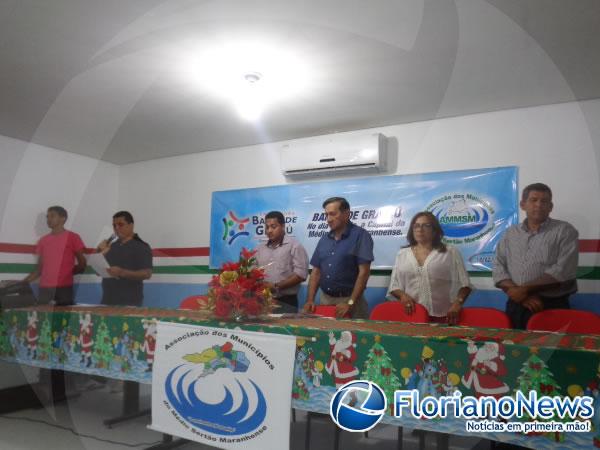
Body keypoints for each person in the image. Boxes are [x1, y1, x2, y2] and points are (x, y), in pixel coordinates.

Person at [493, 183, 579, 329]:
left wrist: (523, 291)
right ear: (523, 204)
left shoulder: (564, 231)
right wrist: (520, 295)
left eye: (544, 201)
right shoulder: (510, 233)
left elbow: (563, 270)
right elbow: (498, 266)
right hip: (517, 304)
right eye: (534, 200)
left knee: (551, 350)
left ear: (550, 207)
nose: (539, 205)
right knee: (514, 349)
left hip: (551, 305)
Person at [387, 211, 472, 324]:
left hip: (444, 315)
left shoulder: (450, 252)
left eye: (425, 225)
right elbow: (394, 285)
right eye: (416, 226)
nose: (419, 229)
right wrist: (403, 296)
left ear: (434, 230)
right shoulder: (402, 254)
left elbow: (465, 283)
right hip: (412, 315)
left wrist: (458, 303)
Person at [303, 197, 373, 319]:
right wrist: (310, 300)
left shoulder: (361, 236)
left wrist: (350, 303)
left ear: (346, 214)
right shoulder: (324, 239)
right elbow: (316, 272)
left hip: (351, 302)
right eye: (326, 215)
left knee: (354, 337)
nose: (328, 219)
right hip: (325, 300)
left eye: (332, 214)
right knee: (326, 336)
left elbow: (364, 273)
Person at [24, 206, 87, 305]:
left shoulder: (73, 237)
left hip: (64, 289)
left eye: (52, 216)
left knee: (62, 318)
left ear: (63, 218)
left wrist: (68, 273)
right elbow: (39, 269)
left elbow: (82, 263)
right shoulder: (43, 240)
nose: (49, 219)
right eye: (47, 217)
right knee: (42, 317)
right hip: (44, 288)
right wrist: (21, 283)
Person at [255, 211, 309, 313]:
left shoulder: (295, 246)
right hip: (263, 301)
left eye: (273, 226)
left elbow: (301, 275)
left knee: (286, 328)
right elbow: (253, 271)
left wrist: (276, 286)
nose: (269, 230)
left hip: (287, 302)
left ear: (283, 226)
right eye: (267, 227)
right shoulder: (259, 249)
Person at [97, 211, 152, 306]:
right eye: (114, 226)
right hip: (107, 299)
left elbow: (147, 274)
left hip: (130, 301)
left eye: (120, 225)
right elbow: (98, 272)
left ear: (131, 225)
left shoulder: (141, 246)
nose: (116, 228)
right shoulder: (111, 245)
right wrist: (99, 252)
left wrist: (121, 272)